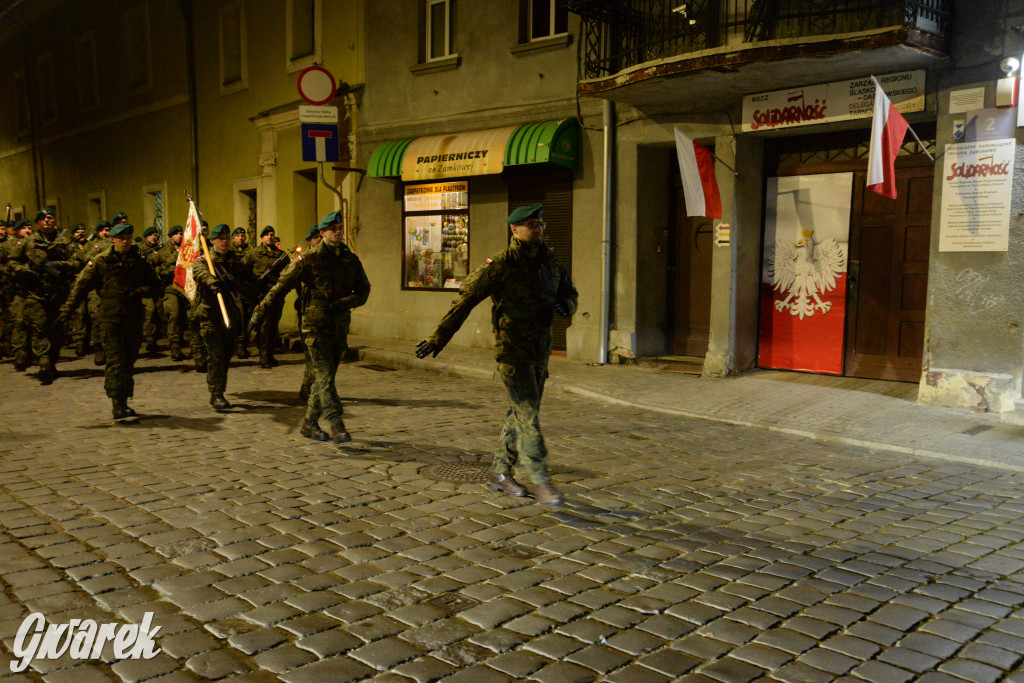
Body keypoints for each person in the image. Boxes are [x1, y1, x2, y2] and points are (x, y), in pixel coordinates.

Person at [415, 204, 577, 506]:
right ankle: (541, 480)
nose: (538, 229)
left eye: (540, 223)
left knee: (520, 413)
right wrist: (439, 337)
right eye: (531, 224)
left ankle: (500, 473)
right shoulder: (501, 264)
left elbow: (569, 291)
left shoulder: (550, 262)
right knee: (527, 414)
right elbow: (466, 299)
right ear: (514, 229)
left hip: (540, 350)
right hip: (512, 350)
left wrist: (568, 305)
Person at [250, 211, 370, 444]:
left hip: (339, 326)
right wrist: (259, 312)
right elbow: (280, 287)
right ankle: (336, 424)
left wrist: (344, 304)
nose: (338, 231)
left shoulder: (350, 259)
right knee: (324, 375)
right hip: (315, 327)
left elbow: (364, 291)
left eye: (340, 227)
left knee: (323, 379)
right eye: (332, 228)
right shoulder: (309, 259)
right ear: (322, 233)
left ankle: (309, 422)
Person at [59, 223, 162, 421]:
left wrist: (140, 292)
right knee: (116, 359)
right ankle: (118, 403)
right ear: (112, 239)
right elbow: (81, 285)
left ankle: (123, 398)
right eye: (121, 238)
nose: (125, 242)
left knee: (129, 360)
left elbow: (156, 286)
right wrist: (67, 310)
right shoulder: (101, 261)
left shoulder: (139, 261)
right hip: (110, 316)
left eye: (128, 238)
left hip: (133, 316)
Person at [7, 209, 80, 385]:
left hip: (57, 294)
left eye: (50, 218)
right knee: (39, 328)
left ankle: (51, 361)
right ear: (38, 223)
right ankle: (44, 361)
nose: (47, 221)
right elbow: (12, 261)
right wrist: (26, 271)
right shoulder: (28, 242)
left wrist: (59, 265)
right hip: (35, 293)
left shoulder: (64, 242)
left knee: (56, 331)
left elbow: (78, 261)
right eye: (42, 218)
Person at [192, 223, 258, 410]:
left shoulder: (235, 261)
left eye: (227, 239)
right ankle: (216, 394)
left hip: (230, 313)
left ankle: (220, 388)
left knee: (227, 354)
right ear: (212, 241)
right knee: (216, 354)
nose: (224, 242)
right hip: (210, 314)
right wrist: (213, 283)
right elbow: (200, 274)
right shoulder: (203, 261)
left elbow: (248, 280)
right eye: (221, 239)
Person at [243, 225, 287, 368]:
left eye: (272, 234)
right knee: (264, 325)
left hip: (276, 294)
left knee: (274, 324)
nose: (269, 237)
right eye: (266, 234)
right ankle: (263, 355)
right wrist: (251, 286)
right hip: (261, 294)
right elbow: (242, 271)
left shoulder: (282, 255)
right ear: (262, 237)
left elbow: (288, 274)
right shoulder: (253, 253)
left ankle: (270, 353)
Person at [1, 220, 33, 369]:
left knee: (35, 322)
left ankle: (36, 352)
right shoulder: (7, 246)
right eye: (24, 228)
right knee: (19, 320)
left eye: (29, 228)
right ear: (16, 230)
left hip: (35, 289)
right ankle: (20, 352)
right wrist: (12, 271)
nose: (27, 230)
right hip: (15, 288)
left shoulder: (35, 243)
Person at [155, 225, 189, 361]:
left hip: (186, 287)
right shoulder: (162, 251)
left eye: (181, 234)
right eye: (176, 234)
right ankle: (174, 347)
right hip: (171, 287)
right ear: (170, 236)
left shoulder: (188, 249)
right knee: (173, 314)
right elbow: (157, 267)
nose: (179, 236)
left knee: (187, 317)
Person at [296, 225, 322, 401]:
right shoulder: (303, 259)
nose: (318, 240)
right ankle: (307, 386)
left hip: (328, 313)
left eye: (319, 236)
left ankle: (317, 388)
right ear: (309, 241)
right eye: (315, 238)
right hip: (308, 312)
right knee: (311, 352)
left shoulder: (330, 258)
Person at [85, 221, 113, 364]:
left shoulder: (115, 245)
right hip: (95, 287)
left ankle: (110, 349)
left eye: (107, 230)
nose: (105, 233)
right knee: (96, 319)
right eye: (101, 230)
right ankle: (97, 348)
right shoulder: (91, 246)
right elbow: (85, 260)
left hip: (111, 287)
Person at [66, 224, 91, 356]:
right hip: (76, 282)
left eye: (83, 232)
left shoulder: (91, 245)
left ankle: (93, 342)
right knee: (79, 312)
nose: (81, 234)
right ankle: (80, 341)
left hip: (91, 282)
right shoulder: (69, 247)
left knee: (92, 312)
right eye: (78, 232)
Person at [140, 226, 163, 353]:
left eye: (155, 235)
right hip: (145, 286)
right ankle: (149, 339)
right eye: (151, 235)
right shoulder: (140, 249)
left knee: (158, 312)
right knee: (149, 311)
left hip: (157, 286)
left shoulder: (160, 249)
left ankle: (155, 338)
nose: (154, 237)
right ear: (146, 237)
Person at [230, 227, 252, 358]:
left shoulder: (251, 251)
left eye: (242, 235)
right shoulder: (228, 252)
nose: (240, 238)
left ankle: (241, 346)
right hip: (232, 289)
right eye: (237, 235)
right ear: (233, 238)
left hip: (246, 289)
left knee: (245, 318)